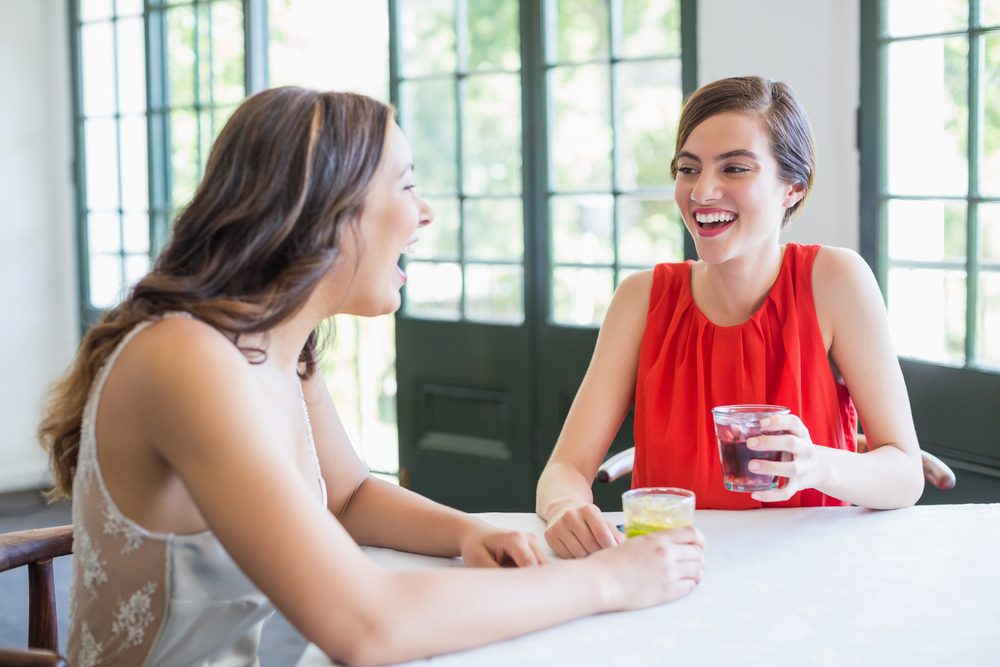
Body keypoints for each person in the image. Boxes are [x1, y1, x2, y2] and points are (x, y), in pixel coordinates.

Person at [38, 87, 704, 667]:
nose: (426, 213)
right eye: (407, 184)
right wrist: (608, 583)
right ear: (327, 208)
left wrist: (466, 531)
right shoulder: (187, 357)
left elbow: (348, 495)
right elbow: (364, 623)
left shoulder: (280, 347)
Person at [536, 76, 925, 559]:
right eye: (687, 169)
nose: (703, 191)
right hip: (670, 571)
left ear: (792, 188)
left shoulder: (836, 281)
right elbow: (565, 469)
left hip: (812, 571)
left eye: (735, 168)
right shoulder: (641, 298)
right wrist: (564, 508)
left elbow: (905, 474)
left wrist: (816, 465)